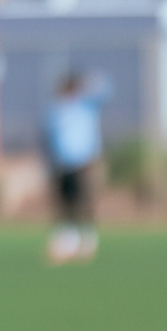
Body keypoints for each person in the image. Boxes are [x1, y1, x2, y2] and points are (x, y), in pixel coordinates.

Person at [44, 72, 107, 264]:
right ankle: (68, 242)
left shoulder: (86, 106)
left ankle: (88, 241)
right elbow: (49, 137)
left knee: (85, 202)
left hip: (84, 162)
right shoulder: (56, 110)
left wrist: (86, 83)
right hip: (62, 163)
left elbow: (105, 89)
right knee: (65, 204)